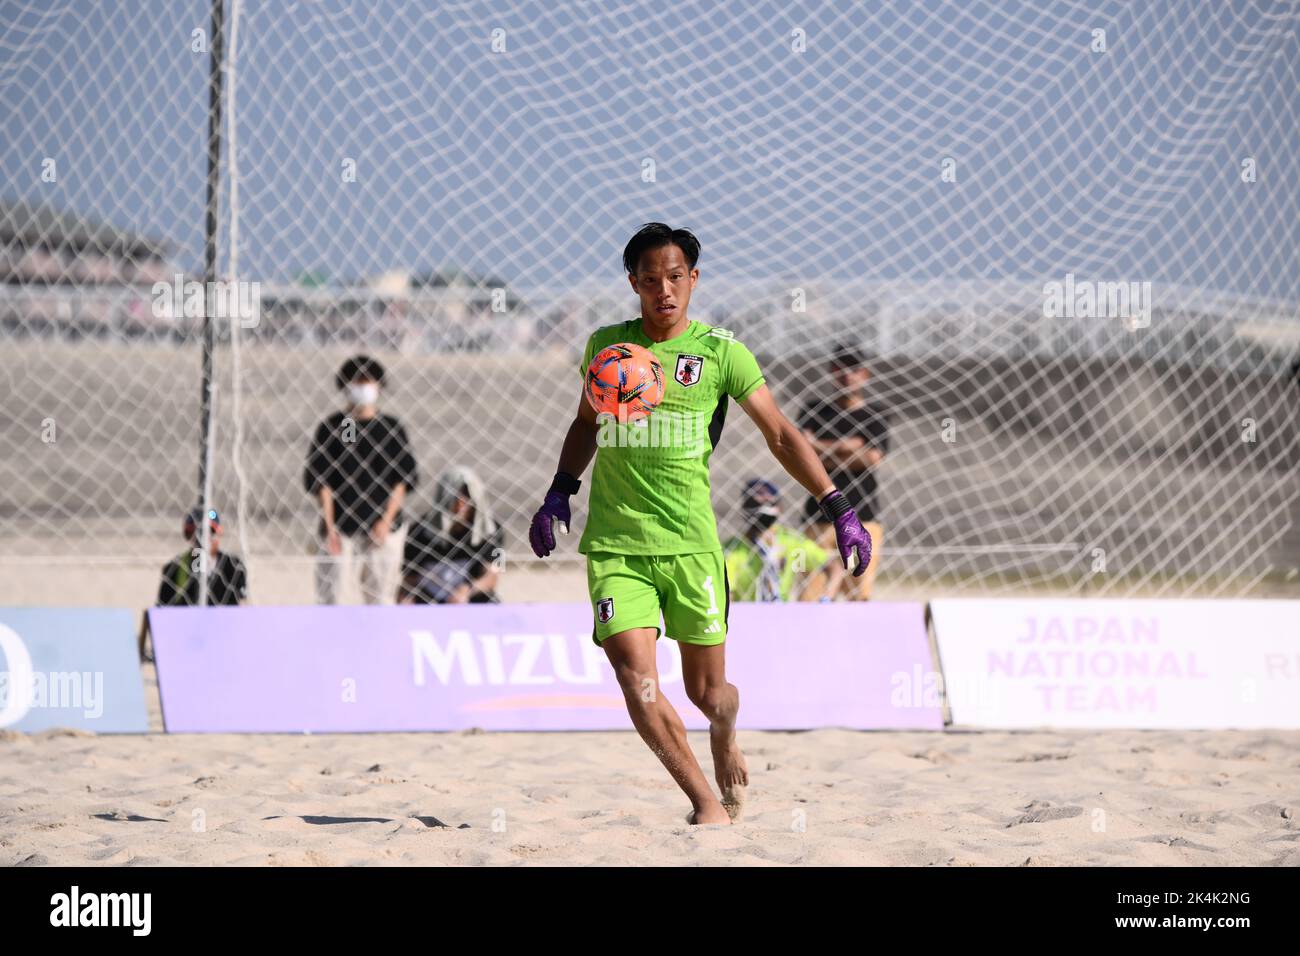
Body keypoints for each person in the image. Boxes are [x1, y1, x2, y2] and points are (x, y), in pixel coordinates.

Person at [528, 222, 872, 826]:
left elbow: (781, 434)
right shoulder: (608, 349)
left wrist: (837, 505)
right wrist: (559, 492)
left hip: (691, 546)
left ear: (694, 279)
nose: (665, 289)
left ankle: (726, 731)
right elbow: (585, 425)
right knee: (636, 680)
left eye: (677, 277)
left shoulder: (721, 352)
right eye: (652, 279)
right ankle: (705, 803)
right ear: (633, 281)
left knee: (709, 696)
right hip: (617, 546)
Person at [303, 354, 418, 604]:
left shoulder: (390, 428)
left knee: (380, 598)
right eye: (358, 381)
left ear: (379, 386)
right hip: (341, 530)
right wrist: (330, 525)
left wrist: (386, 521)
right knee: (333, 597)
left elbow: (402, 481)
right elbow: (322, 481)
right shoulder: (334, 427)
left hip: (383, 530)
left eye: (369, 381)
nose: (364, 387)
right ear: (345, 386)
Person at [798, 344, 889, 600]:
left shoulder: (876, 414)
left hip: (863, 517)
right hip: (818, 519)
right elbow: (802, 455)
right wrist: (849, 446)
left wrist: (819, 448)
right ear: (832, 372)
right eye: (840, 368)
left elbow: (871, 458)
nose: (847, 374)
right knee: (810, 599)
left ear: (865, 374)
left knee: (858, 599)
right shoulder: (814, 410)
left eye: (854, 368)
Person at [140, 507, 247, 660]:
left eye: (209, 533)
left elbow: (243, 608)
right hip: (186, 642)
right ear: (189, 536)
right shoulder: (174, 568)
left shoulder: (233, 566)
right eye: (196, 534)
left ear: (218, 534)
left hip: (225, 639)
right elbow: (161, 615)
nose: (203, 540)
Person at [722, 479, 844, 602]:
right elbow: (727, 594)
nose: (765, 506)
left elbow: (833, 567)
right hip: (748, 613)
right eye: (758, 503)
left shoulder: (790, 542)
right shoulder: (732, 550)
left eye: (769, 502)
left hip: (781, 612)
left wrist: (826, 597)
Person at [399, 466, 503, 604]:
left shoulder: (491, 530)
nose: (461, 503)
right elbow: (409, 580)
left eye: (466, 496)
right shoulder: (419, 532)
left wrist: (467, 589)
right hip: (429, 600)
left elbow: (492, 578)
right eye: (455, 496)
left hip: (471, 598)